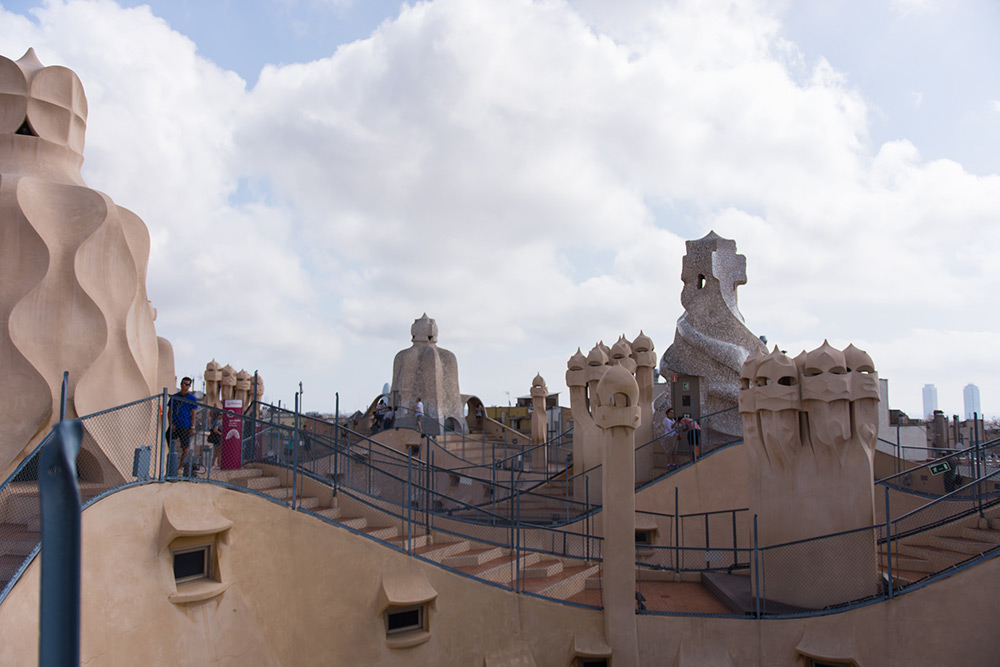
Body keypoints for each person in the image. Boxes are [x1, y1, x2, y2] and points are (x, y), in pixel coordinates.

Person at [169, 377, 202, 475]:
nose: (184, 386)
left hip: (185, 425)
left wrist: (192, 427)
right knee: (169, 443)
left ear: (189, 386)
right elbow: (169, 411)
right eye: (183, 383)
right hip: (175, 425)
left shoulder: (192, 398)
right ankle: (170, 464)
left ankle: (180, 466)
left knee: (185, 448)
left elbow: (193, 413)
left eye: (187, 384)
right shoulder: (175, 397)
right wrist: (171, 423)